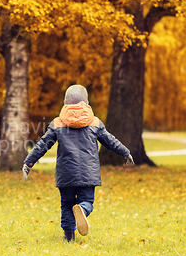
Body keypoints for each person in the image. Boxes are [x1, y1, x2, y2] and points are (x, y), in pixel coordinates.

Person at [22, 85, 134, 242]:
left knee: (67, 204)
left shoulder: (57, 123)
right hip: (88, 173)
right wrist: (125, 152)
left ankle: (69, 238)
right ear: (86, 102)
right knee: (87, 200)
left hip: (66, 174)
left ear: (65, 102)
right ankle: (83, 209)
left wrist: (29, 162)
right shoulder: (95, 122)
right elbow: (110, 141)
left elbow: (42, 145)